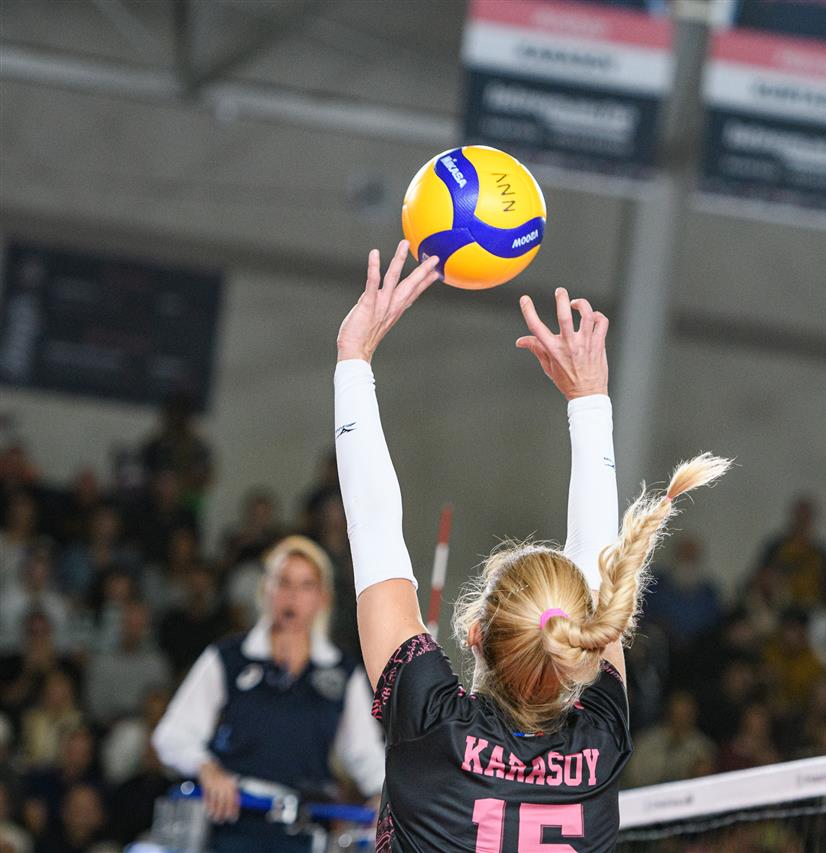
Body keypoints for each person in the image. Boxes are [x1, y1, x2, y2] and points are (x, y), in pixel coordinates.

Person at [331, 242, 728, 851]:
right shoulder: (601, 741)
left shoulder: (435, 723)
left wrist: (354, 355)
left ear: (473, 633)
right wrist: (590, 397)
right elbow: (375, 531)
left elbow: (373, 528)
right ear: (581, 644)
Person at [151, 536, 385, 853]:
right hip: (232, 821)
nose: (293, 596)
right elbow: (171, 735)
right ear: (266, 589)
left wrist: (385, 794)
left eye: (306, 585)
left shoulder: (342, 671)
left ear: (322, 597)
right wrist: (207, 769)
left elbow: (364, 754)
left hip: (304, 826)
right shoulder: (229, 657)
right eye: (284, 582)